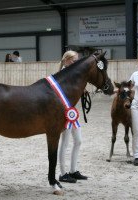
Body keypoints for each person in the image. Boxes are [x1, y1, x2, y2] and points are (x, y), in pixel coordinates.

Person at [58, 50, 88, 183]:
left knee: (78, 140)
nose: (75, 63)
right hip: (63, 113)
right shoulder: (61, 75)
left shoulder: (74, 74)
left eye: (76, 61)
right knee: (65, 143)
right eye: (73, 60)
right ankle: (63, 173)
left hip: (72, 112)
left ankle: (73, 170)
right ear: (66, 60)